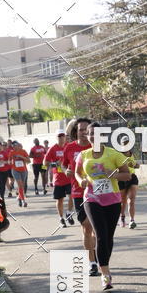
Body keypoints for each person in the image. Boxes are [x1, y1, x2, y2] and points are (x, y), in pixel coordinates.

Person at [75, 122, 130, 290]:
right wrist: (81, 180)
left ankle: (104, 262)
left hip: (112, 200)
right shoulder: (83, 155)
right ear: (87, 136)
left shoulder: (113, 154)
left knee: (108, 237)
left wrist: (113, 174)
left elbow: (127, 175)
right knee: (99, 235)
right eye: (91, 134)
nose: (93, 136)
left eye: (97, 134)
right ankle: (105, 274)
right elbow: (78, 172)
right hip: (92, 199)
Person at [64, 117, 99, 276]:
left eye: (87, 129)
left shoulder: (97, 147)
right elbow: (64, 164)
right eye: (81, 130)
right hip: (78, 192)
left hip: (98, 191)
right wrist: (67, 171)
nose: (84, 132)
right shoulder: (70, 148)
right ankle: (92, 262)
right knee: (86, 226)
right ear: (75, 132)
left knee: (96, 229)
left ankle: (98, 255)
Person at [44, 130, 74, 227]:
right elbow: (45, 163)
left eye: (63, 136)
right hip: (58, 179)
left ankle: (69, 213)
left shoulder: (69, 147)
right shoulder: (52, 149)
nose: (61, 137)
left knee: (72, 196)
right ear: (56, 137)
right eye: (59, 136)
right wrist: (54, 164)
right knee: (59, 200)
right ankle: (61, 218)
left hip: (69, 177)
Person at [117, 134, 140, 229]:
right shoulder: (118, 155)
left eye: (128, 143)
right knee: (123, 201)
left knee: (132, 199)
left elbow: (137, 165)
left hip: (132, 178)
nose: (126, 145)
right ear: (121, 144)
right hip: (122, 179)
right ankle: (122, 217)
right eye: (124, 143)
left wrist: (134, 165)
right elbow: (116, 167)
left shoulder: (131, 153)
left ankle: (132, 220)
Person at [8, 140, 30, 207]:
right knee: (20, 185)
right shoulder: (11, 152)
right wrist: (10, 161)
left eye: (15, 145)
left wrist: (21, 157)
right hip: (15, 170)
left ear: (18, 145)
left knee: (22, 186)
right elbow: (9, 161)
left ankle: (19, 198)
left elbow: (29, 161)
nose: (14, 147)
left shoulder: (23, 151)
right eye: (13, 146)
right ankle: (23, 201)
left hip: (23, 170)